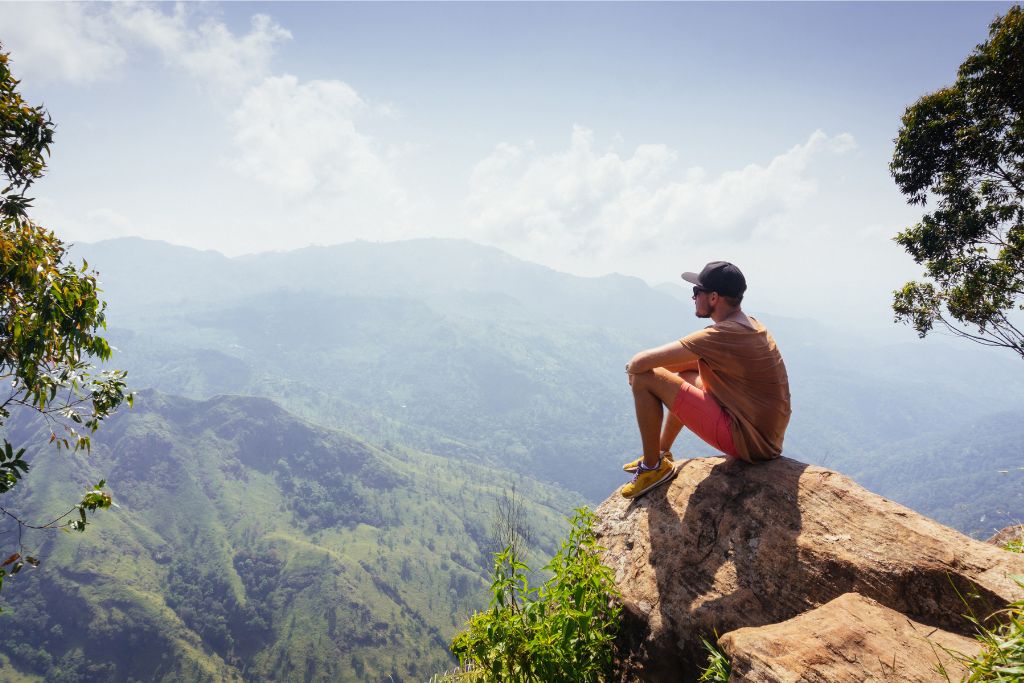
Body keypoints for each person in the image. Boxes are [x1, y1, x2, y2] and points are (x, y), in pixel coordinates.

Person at [620, 261, 791, 499]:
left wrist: (637, 373)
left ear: (713, 298)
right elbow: (687, 365)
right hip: (764, 436)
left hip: (749, 441)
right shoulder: (749, 325)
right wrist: (655, 371)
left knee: (643, 378)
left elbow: (640, 362)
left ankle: (652, 467)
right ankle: (662, 452)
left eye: (696, 292)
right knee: (686, 376)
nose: (693, 298)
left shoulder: (722, 335)